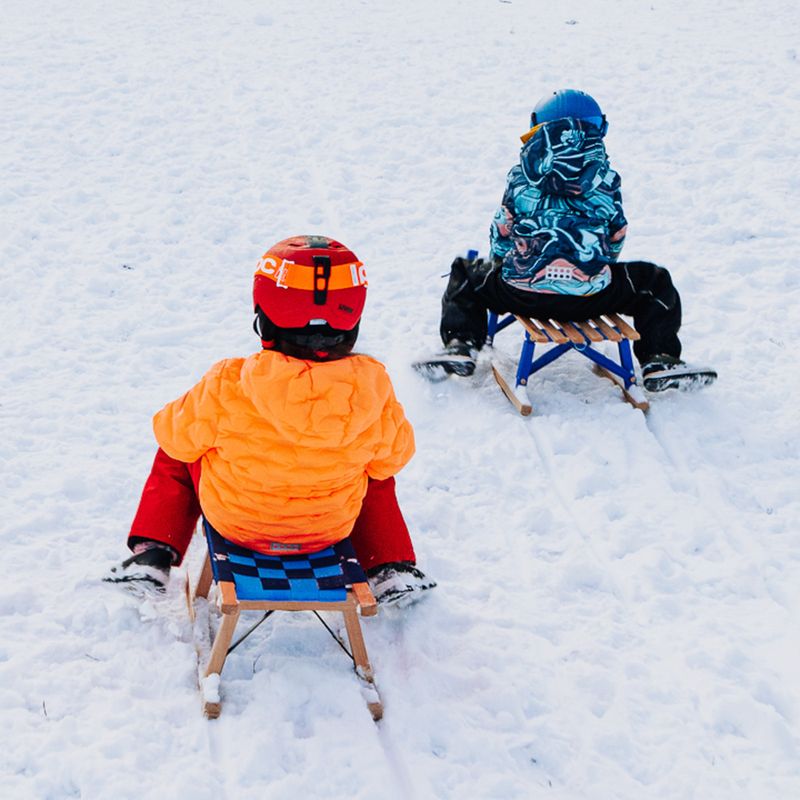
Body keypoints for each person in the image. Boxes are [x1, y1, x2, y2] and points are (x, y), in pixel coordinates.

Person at [105, 235, 435, 607]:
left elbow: (173, 435)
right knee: (373, 471)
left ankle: (153, 554)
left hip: (238, 525)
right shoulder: (373, 392)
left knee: (179, 451)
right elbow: (395, 458)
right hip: (325, 530)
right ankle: (391, 568)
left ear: (263, 321)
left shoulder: (228, 383)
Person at [415, 89, 716, 392]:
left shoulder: (521, 177)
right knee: (655, 280)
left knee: (465, 272)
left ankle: (461, 344)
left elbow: (502, 234)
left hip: (520, 293)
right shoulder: (606, 179)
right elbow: (615, 236)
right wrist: (593, 269)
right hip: (590, 297)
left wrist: (505, 264)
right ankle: (659, 357)